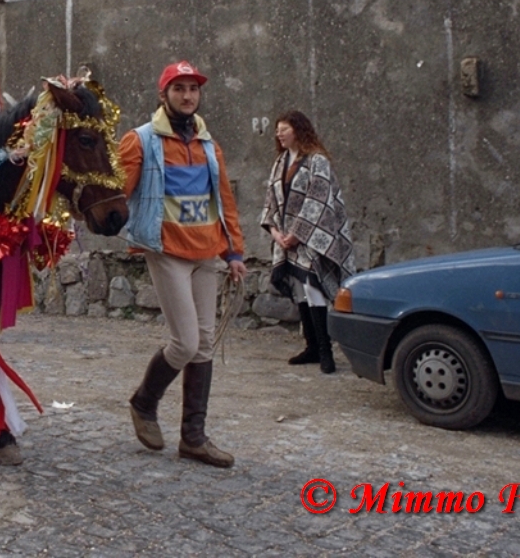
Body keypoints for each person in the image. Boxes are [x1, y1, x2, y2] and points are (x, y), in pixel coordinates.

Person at [120, 60, 247, 469]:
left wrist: (234, 253)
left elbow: (224, 201)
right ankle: (144, 402)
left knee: (204, 344)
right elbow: (117, 192)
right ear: (164, 95)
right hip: (167, 251)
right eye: (179, 89)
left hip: (206, 254)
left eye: (193, 89)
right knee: (186, 343)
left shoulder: (209, 145)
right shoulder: (140, 141)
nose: (188, 96)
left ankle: (193, 438)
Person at [261, 111, 354, 374]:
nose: (279, 134)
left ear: (299, 131)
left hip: (312, 239)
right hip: (287, 239)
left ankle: (326, 352)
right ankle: (311, 347)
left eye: (284, 129)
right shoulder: (280, 162)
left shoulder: (317, 161)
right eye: (277, 130)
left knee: (314, 289)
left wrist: (298, 233)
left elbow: (319, 201)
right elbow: (271, 200)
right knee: (300, 290)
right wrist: (275, 233)